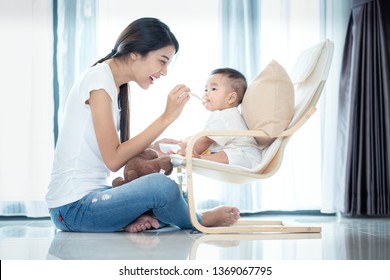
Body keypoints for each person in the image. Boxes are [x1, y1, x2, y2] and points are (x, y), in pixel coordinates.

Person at [46, 17, 240, 233]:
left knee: (173, 192)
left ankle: (144, 218)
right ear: (136, 52)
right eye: (162, 60)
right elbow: (113, 159)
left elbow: (114, 152)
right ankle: (199, 218)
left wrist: (153, 148)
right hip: (73, 208)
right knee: (162, 188)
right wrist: (167, 117)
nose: (165, 71)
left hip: (93, 197)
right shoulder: (99, 82)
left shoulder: (111, 84)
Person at [174, 68, 262, 169]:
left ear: (231, 98)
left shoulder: (223, 116)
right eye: (206, 89)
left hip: (248, 157)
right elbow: (203, 136)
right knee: (218, 151)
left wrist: (187, 152)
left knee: (225, 154)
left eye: (213, 89)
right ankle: (200, 157)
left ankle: (201, 158)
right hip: (245, 157)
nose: (206, 93)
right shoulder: (226, 114)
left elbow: (205, 140)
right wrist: (185, 142)